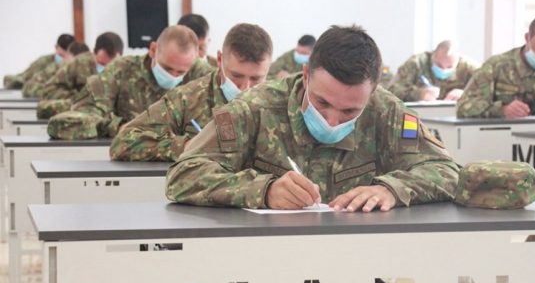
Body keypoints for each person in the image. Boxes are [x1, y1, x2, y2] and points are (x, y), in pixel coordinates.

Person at [165, 25, 460, 212]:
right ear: (306, 76)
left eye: (349, 111)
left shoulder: (389, 113)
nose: (332, 120)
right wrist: (263, 191)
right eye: (322, 102)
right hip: (265, 259)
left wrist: (392, 189)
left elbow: (448, 172)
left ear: (372, 93)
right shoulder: (254, 109)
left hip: (359, 259)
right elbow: (182, 176)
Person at [110, 23, 272, 162]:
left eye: (256, 79)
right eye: (236, 76)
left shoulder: (277, 102)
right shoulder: (188, 98)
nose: (245, 87)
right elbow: (123, 142)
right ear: (220, 59)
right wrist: (187, 146)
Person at [47, 25, 202, 140]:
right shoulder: (121, 70)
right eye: (167, 68)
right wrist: (120, 127)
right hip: (124, 161)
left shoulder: (200, 76)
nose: (172, 76)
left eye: (181, 72)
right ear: (153, 50)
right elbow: (86, 113)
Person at [37, 32, 124, 119]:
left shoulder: (125, 69)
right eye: (102, 63)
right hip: (81, 113)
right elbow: (49, 89)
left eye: (111, 64)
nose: (106, 67)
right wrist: (78, 98)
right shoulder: (79, 63)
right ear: (94, 52)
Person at [387, 40, 478, 102]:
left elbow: (485, 92)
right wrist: (419, 94)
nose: (443, 70)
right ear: (433, 55)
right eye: (439, 65)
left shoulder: (468, 67)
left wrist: (466, 94)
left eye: (449, 67)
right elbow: (391, 91)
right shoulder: (417, 63)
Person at [3, 33, 75, 89]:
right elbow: (23, 79)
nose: (64, 59)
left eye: (68, 56)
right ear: (56, 47)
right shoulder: (43, 62)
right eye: (61, 56)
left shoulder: (77, 64)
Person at [22, 41, 90, 98]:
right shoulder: (56, 69)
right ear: (68, 56)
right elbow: (29, 86)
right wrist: (65, 95)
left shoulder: (90, 69)